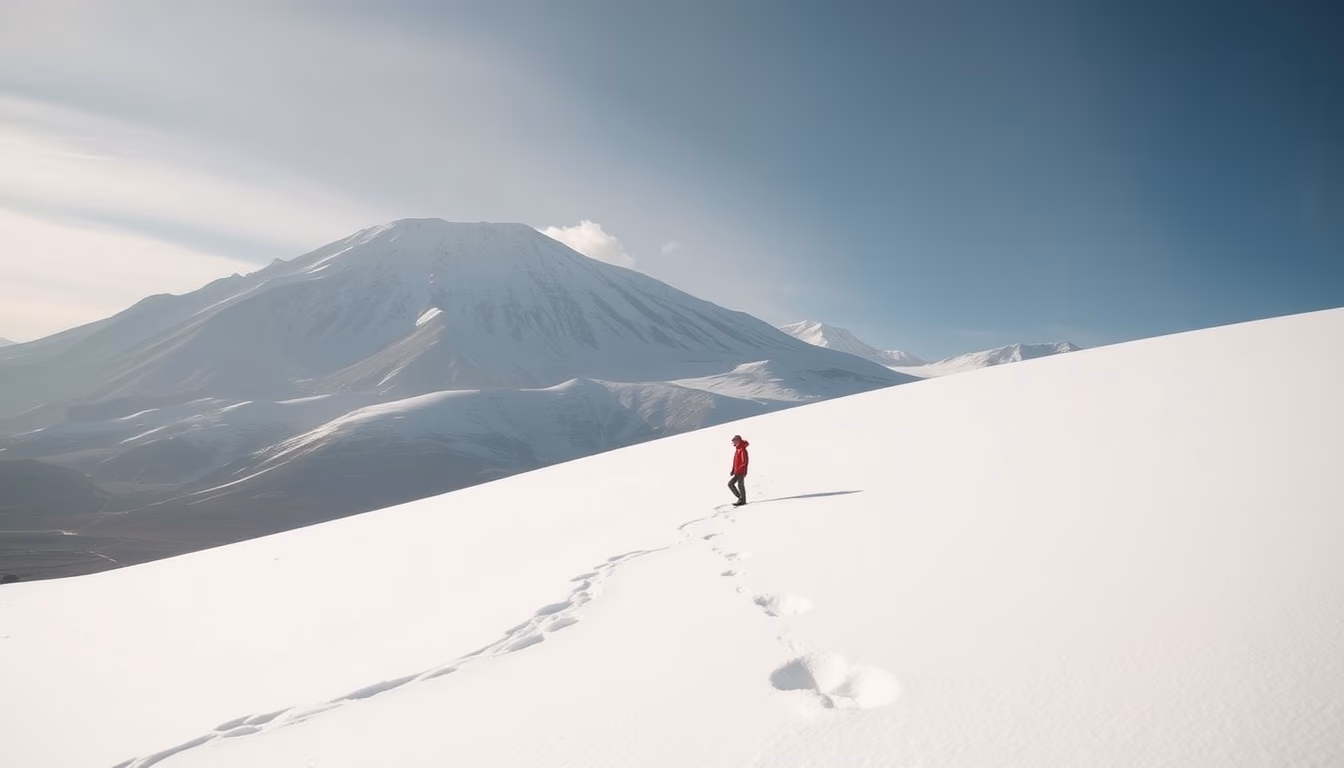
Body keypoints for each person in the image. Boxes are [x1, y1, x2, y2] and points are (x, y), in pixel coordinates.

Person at [728, 434, 749, 506]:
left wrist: (739, 469)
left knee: (740, 485)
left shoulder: (742, 449)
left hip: (741, 471)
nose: (733, 442)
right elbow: (735, 461)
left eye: (734, 441)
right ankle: (741, 498)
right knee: (731, 484)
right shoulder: (738, 449)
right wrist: (733, 470)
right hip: (737, 471)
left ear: (738, 441)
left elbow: (744, 462)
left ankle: (742, 500)